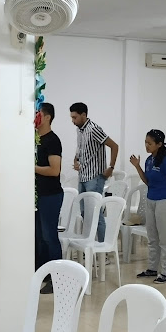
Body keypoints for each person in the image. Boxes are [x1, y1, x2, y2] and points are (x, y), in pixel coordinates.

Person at [130, 129, 166, 284]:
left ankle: (165, 272)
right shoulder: (149, 160)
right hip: (150, 199)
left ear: (159, 144)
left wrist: (164, 194)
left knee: (164, 238)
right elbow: (147, 181)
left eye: (150, 143)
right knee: (152, 236)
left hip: (164, 201)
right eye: (145, 142)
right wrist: (137, 166)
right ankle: (152, 268)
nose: (147, 145)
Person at [70, 102, 119, 242]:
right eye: (72, 118)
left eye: (75, 117)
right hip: (83, 176)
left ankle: (103, 248)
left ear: (84, 115)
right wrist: (76, 161)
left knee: (96, 214)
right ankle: (90, 244)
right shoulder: (79, 130)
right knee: (85, 213)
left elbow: (114, 146)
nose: (73, 121)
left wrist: (111, 167)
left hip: (95, 177)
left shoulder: (94, 129)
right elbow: (80, 149)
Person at [35, 103, 64, 294]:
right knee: (39, 238)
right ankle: (43, 273)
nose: (35, 118)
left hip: (51, 195)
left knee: (49, 236)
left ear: (46, 117)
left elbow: (55, 170)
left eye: (38, 114)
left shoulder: (52, 140)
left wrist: (31, 167)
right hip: (38, 196)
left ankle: (58, 278)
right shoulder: (36, 139)